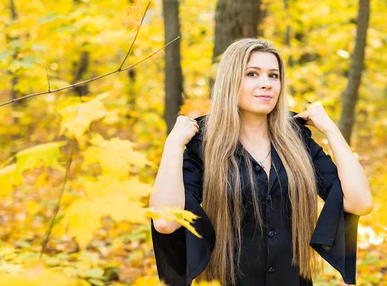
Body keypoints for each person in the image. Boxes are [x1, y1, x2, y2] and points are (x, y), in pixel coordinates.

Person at [149, 38, 373, 286]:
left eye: (273, 76)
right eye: (252, 74)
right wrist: (173, 145)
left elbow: (360, 202)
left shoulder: (296, 138)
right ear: (231, 80)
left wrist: (331, 129)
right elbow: (165, 222)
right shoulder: (203, 141)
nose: (266, 84)